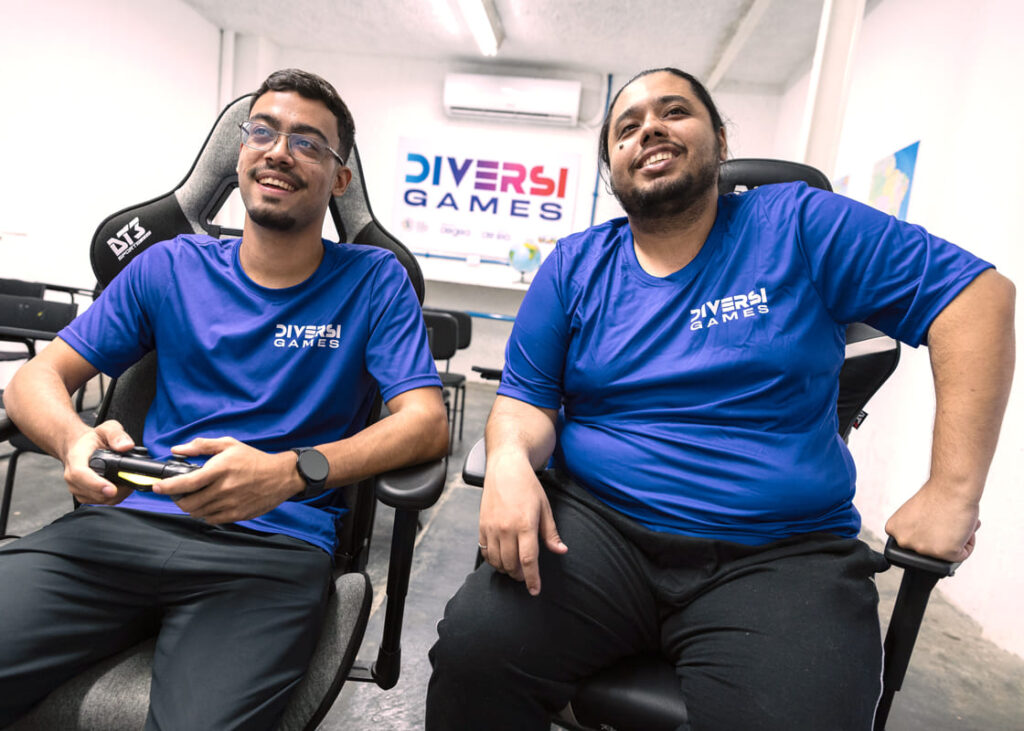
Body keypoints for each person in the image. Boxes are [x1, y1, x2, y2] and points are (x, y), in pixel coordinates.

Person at [426, 67, 1015, 730]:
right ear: (612, 168)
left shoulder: (798, 222)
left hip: (779, 554)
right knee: (475, 658)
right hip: (599, 531)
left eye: (674, 111)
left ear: (720, 140)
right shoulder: (574, 265)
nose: (649, 127)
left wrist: (952, 489)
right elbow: (526, 398)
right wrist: (507, 458)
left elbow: (975, 298)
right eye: (626, 127)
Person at [0, 68, 448, 730]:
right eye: (262, 131)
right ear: (241, 152)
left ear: (340, 179)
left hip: (269, 552)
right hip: (122, 525)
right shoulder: (168, 265)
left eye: (307, 141)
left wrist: (292, 470)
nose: (278, 150)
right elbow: (35, 379)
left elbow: (426, 424)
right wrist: (74, 439)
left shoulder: (373, 281)